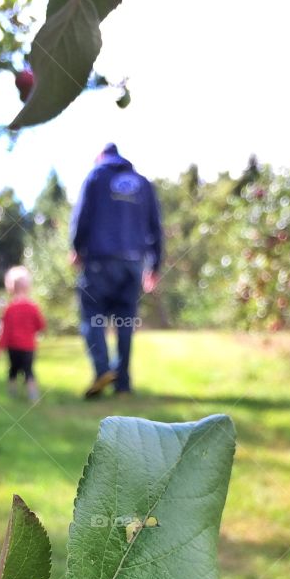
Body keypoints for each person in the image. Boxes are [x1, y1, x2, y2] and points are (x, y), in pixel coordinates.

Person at [70, 143, 163, 398]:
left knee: (92, 317)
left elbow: (82, 215)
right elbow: (155, 226)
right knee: (125, 322)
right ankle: (122, 384)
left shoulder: (96, 176)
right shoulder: (142, 183)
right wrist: (154, 266)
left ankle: (103, 371)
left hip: (99, 260)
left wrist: (76, 248)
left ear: (101, 157)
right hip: (133, 263)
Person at [0, 265, 46, 402]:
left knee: (12, 370)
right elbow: (41, 325)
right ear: (28, 286)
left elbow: (5, 331)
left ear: (10, 287)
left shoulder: (9, 309)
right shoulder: (33, 307)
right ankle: (33, 396)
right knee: (29, 371)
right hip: (28, 346)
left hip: (13, 347)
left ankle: (12, 394)